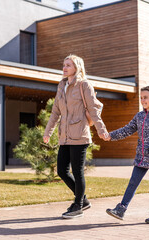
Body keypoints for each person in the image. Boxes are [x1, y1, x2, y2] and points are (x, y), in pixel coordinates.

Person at [43, 54, 109, 219]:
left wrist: (101, 129)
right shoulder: (62, 85)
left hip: (80, 134)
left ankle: (78, 205)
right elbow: (55, 112)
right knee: (62, 171)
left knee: (77, 172)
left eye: (69, 65)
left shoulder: (84, 85)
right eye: (64, 65)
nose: (64, 68)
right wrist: (48, 131)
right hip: (64, 136)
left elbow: (93, 109)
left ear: (77, 68)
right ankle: (83, 200)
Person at [105, 85, 149, 224]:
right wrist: (111, 136)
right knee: (133, 183)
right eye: (141, 98)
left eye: (145, 97)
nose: (142, 100)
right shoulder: (140, 116)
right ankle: (121, 209)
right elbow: (127, 129)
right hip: (141, 157)